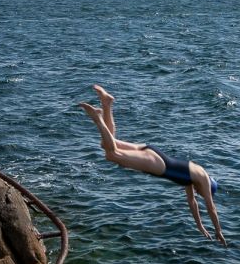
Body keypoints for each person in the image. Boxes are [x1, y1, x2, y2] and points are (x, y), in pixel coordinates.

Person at [79, 85, 227, 247]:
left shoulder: (192, 179)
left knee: (108, 144)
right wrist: (218, 230)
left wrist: (200, 225)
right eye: (203, 193)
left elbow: (192, 203)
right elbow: (211, 208)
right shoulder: (203, 178)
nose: (199, 192)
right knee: (112, 154)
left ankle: (107, 104)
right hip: (158, 164)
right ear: (209, 188)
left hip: (154, 153)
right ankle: (98, 117)